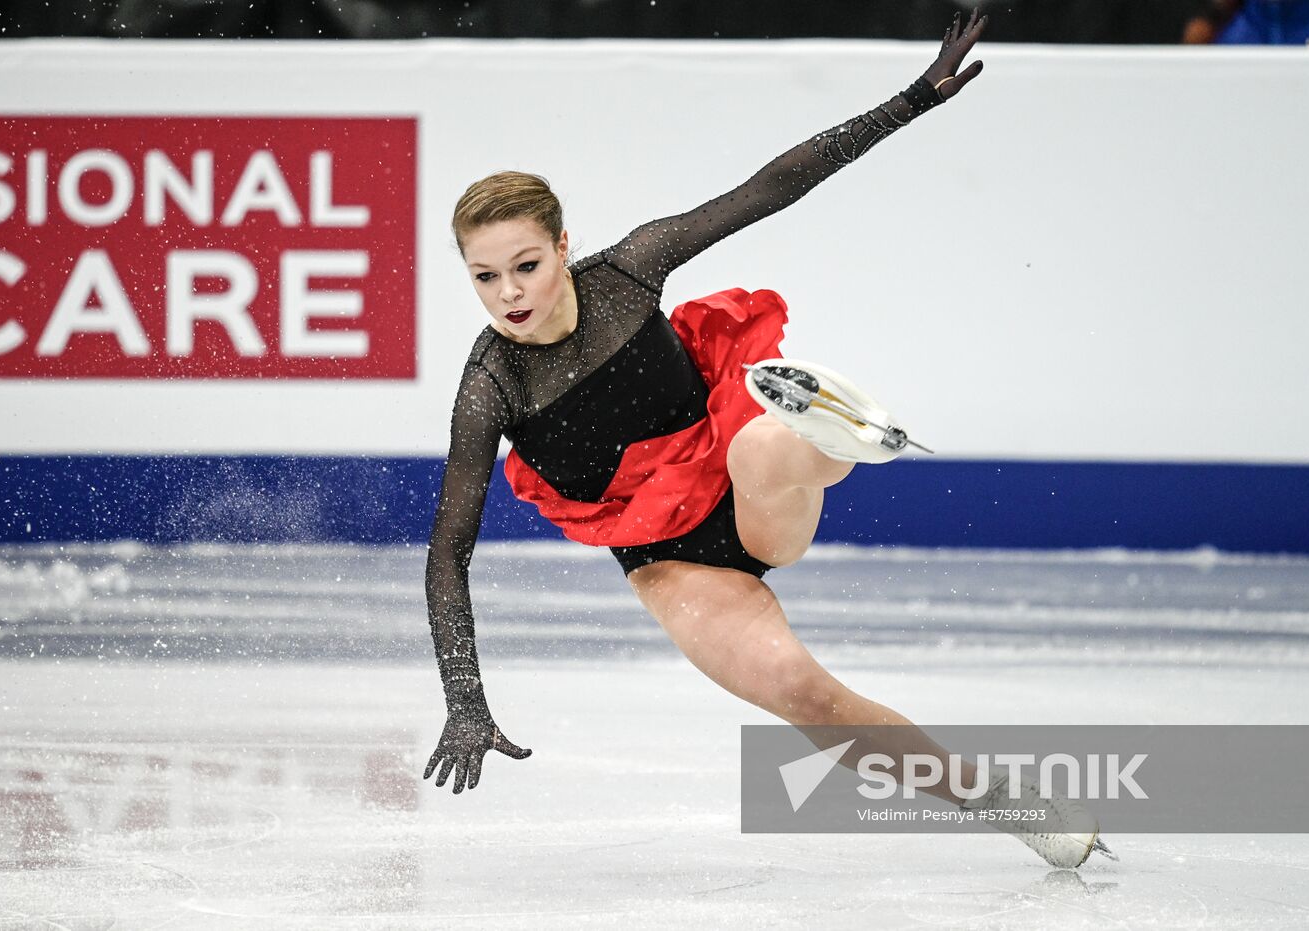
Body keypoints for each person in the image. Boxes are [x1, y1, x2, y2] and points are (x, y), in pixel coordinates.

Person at [422, 10, 1108, 869]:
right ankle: (1010, 806)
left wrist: (911, 102)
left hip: (747, 485)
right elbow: (450, 551)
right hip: (674, 561)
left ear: (564, 246)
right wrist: (464, 699)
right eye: (484, 277)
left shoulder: (631, 270)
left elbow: (774, 183)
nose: (509, 293)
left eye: (525, 263)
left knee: (759, 448)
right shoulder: (491, 387)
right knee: (804, 695)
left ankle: (842, 437)